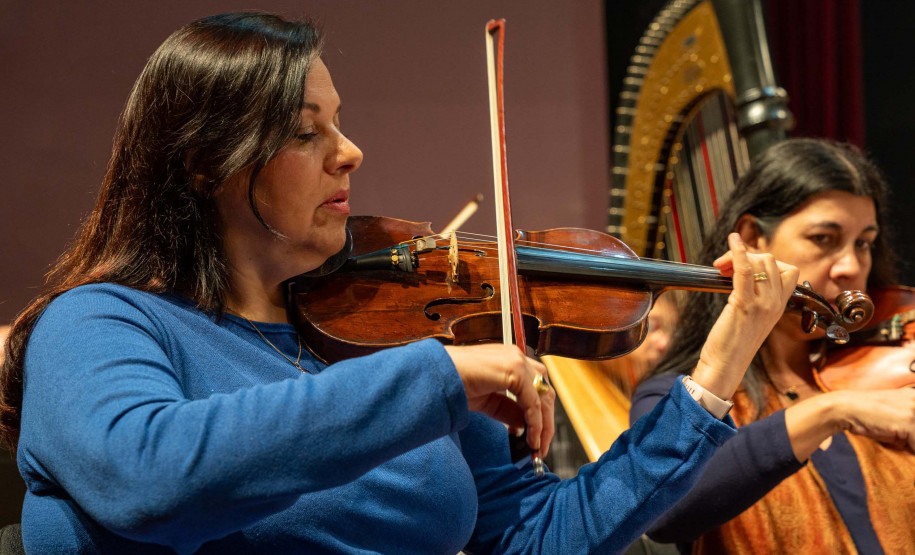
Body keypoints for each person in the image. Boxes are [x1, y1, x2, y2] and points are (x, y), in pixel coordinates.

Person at [0, 13, 797, 554]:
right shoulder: (101, 323)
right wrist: (434, 376)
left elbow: (538, 536)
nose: (348, 151)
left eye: (339, 123)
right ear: (205, 162)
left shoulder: (387, 335)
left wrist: (716, 372)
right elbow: (151, 476)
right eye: (305, 131)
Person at [631, 138, 915, 554]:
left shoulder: (890, 364)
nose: (851, 267)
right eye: (823, 238)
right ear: (752, 238)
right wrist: (829, 410)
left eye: (863, 243)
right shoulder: (679, 398)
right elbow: (663, 513)